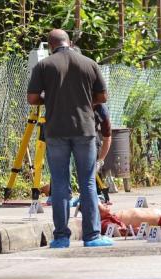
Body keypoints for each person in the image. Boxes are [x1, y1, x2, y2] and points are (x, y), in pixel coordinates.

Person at [27, 29, 113, 248]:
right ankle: (92, 236)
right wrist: (85, 100)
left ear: (50, 45)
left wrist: (51, 97)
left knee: (60, 184)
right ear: (70, 42)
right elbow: (103, 97)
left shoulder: (44, 66)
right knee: (88, 183)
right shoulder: (88, 63)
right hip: (85, 130)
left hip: (56, 132)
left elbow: (32, 98)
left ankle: (62, 237)